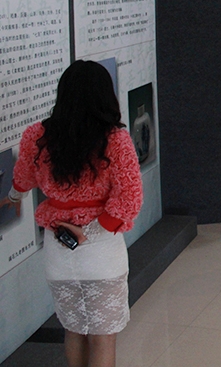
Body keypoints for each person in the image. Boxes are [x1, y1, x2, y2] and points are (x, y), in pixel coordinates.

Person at [0, 60, 144, 367]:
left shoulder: (38, 135)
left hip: (58, 248)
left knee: (74, 331)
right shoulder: (115, 139)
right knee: (103, 338)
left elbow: (23, 179)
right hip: (102, 251)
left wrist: (12, 197)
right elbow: (129, 199)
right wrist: (89, 232)